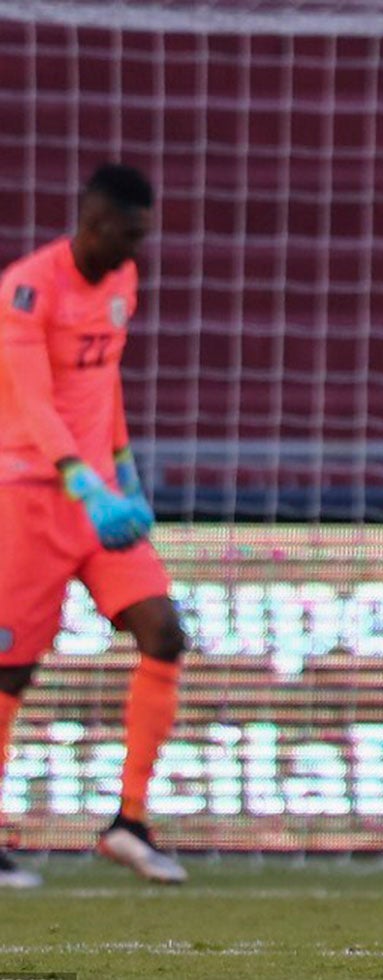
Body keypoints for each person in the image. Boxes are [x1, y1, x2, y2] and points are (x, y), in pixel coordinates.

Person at [0, 163, 189, 887]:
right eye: (126, 235)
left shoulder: (122, 280)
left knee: (164, 631)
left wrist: (124, 470)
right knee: (11, 669)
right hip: (31, 495)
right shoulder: (28, 287)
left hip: (102, 498)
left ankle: (129, 822)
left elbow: (101, 379)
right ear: (92, 221)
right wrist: (82, 482)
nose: (134, 249)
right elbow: (33, 400)